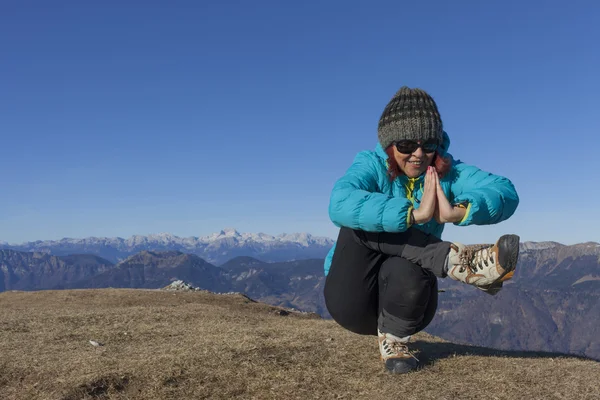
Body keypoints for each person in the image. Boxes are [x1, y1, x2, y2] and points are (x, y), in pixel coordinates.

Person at [322, 86, 520, 374]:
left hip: (410, 303)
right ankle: (459, 263)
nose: (418, 154)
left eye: (428, 145)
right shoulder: (371, 164)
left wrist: (460, 211)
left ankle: (395, 342)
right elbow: (339, 202)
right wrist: (412, 215)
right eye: (405, 145)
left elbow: (506, 192)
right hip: (352, 298)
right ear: (389, 145)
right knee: (356, 224)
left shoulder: (446, 171)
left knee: (405, 263)